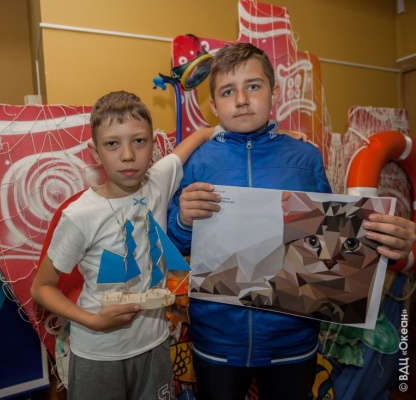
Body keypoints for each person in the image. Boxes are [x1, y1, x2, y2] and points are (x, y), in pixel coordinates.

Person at [166, 42, 416, 400]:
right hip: (218, 338)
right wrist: (183, 220)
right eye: (228, 91)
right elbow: (173, 244)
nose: (241, 100)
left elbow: (332, 242)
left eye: (253, 86)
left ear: (274, 93)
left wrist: (385, 246)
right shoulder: (197, 161)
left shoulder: (305, 158)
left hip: (293, 338)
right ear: (214, 105)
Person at [31, 91, 215, 399]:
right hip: (98, 354)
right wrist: (93, 320)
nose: (128, 154)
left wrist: (275, 132)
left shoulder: (158, 182)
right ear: (95, 152)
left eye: (139, 141)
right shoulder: (79, 215)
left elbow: (194, 141)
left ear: (152, 145)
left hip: (154, 346)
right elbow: (42, 288)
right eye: (112, 144)